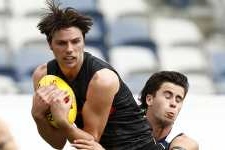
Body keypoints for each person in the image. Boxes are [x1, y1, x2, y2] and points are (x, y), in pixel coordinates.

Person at [31, 0, 161, 149]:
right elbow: (58, 143)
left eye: (75, 42)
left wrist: (63, 122)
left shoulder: (102, 79)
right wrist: (38, 117)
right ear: (50, 44)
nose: (69, 49)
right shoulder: (44, 77)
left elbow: (91, 143)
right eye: (61, 43)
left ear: (84, 41)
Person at [71, 71, 199, 150]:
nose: (173, 104)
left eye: (178, 99)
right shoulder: (119, 128)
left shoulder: (184, 143)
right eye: (168, 96)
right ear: (149, 99)